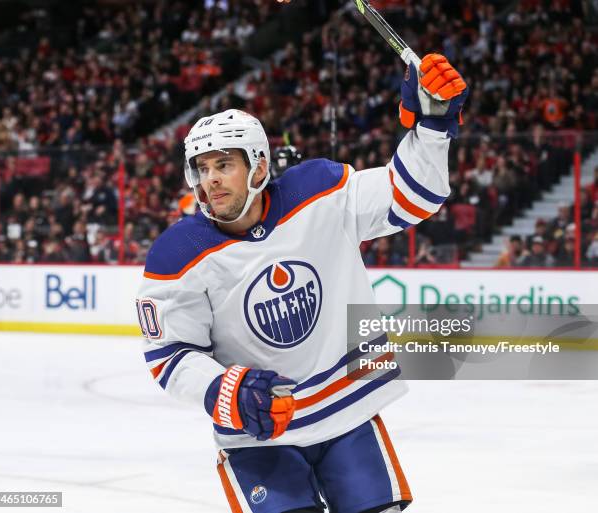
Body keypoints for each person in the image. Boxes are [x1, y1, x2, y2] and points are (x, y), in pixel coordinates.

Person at [137, 53, 467, 513]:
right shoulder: (177, 254)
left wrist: (431, 129)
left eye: (223, 164)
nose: (210, 180)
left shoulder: (319, 192)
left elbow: (413, 195)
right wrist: (220, 389)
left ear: (257, 166)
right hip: (261, 432)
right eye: (202, 168)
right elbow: (171, 355)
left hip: (347, 413)